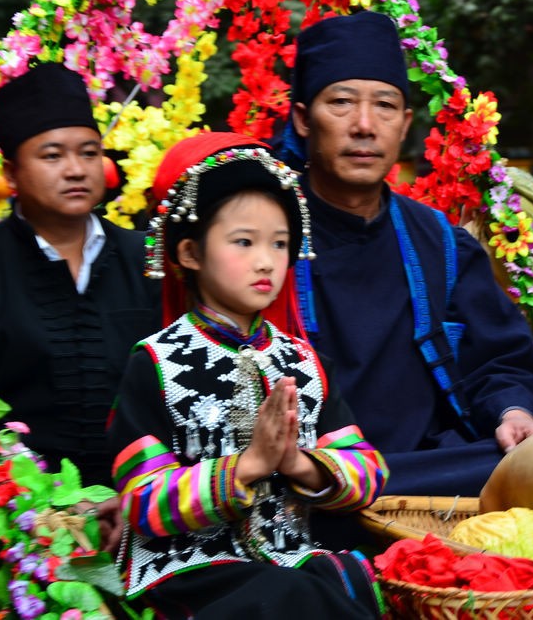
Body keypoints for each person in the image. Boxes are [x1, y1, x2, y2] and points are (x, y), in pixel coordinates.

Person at [108, 132, 388, 619]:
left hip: (289, 560)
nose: (266, 261)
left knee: (348, 580)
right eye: (244, 242)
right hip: (191, 570)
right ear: (190, 253)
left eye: (279, 244)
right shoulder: (156, 362)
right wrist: (249, 465)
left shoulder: (304, 363)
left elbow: (369, 472)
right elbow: (142, 501)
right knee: (294, 595)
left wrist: (298, 462)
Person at [281, 10, 533, 498]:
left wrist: (513, 412)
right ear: (302, 119)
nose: (365, 125)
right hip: (308, 473)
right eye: (341, 102)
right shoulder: (264, 233)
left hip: (427, 470)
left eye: (384, 105)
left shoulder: (440, 242)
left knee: (532, 460)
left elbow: (498, 360)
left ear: (404, 124)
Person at [0, 62, 160, 551]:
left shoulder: (148, 259)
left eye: (89, 152)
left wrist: (138, 501)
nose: (76, 169)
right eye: (52, 155)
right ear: (11, 173)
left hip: (147, 515)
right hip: (23, 530)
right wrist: (52, 510)